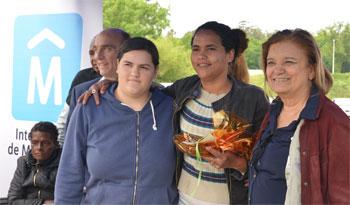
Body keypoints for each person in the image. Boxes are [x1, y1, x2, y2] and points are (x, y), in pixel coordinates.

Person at [81, 21, 269, 204]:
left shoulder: (252, 98)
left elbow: (269, 154)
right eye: (196, 49)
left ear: (229, 54)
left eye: (210, 49)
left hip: (232, 198)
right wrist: (110, 83)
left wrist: (237, 163)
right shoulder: (183, 88)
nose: (201, 56)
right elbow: (143, 89)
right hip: (184, 197)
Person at [54, 37, 178, 204]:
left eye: (144, 67)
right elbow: (69, 172)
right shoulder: (89, 107)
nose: (135, 73)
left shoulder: (172, 109)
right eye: (128, 64)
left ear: (155, 71)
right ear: (118, 65)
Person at [248, 29, 350, 204]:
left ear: (311, 70)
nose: (277, 70)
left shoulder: (333, 122)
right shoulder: (274, 110)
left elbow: (343, 195)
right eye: (271, 62)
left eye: (289, 61)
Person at [56, 36, 101, 146]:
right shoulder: (83, 77)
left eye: (107, 50)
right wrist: (62, 150)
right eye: (92, 53)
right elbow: (65, 117)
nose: (96, 58)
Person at [8, 122, 61, 205]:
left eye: (45, 143)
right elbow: (13, 200)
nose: (39, 147)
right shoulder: (23, 162)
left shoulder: (63, 165)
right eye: (35, 143)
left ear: (56, 145)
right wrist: (43, 203)